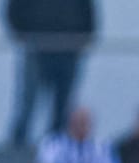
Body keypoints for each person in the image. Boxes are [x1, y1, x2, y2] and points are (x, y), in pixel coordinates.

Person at [6, 0, 96, 147]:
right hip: (37, 46)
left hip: (68, 49)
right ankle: (17, 145)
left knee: (62, 103)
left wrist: (83, 39)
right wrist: (23, 35)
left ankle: (56, 146)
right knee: (29, 100)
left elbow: (88, 14)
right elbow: (14, 10)